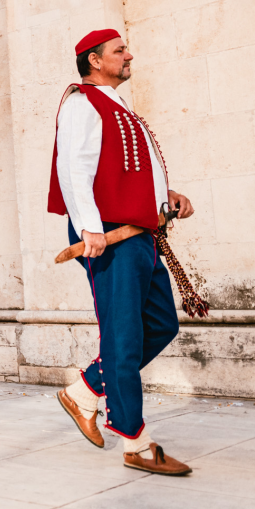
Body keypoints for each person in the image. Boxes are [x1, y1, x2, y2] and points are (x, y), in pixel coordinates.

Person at [49, 28, 195, 476]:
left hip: (140, 230)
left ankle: (86, 390)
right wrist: (90, 227)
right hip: (109, 233)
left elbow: (128, 165)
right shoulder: (81, 102)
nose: (129, 55)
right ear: (95, 60)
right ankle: (135, 441)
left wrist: (163, 195)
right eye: (119, 51)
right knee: (124, 335)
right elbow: (73, 166)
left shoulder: (117, 104)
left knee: (160, 323)